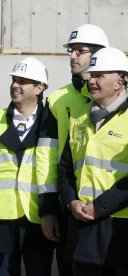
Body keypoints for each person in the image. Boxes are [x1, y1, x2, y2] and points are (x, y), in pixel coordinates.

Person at [36, 24, 128, 276]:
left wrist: (103, 204)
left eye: (81, 51)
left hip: (114, 212)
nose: (73, 56)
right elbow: (47, 156)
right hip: (69, 206)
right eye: (71, 51)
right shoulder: (57, 99)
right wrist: (49, 207)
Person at [58, 47, 128, 276]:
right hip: (82, 228)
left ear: (120, 82)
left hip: (121, 230)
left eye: (100, 75)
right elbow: (65, 169)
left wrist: (100, 207)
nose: (92, 80)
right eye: (91, 75)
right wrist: (71, 201)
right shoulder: (78, 118)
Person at [0, 57, 55, 275]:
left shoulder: (52, 123)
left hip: (39, 215)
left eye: (23, 81)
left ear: (39, 88)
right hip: (3, 216)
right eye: (14, 80)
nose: (15, 85)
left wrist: (50, 211)